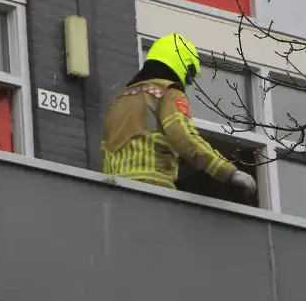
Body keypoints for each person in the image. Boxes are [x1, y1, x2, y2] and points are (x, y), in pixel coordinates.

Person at [101, 33, 257, 197]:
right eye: (190, 75)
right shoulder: (167, 92)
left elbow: (105, 149)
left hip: (116, 192)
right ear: (182, 64)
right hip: (153, 189)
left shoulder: (117, 102)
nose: (187, 83)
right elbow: (184, 138)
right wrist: (229, 172)